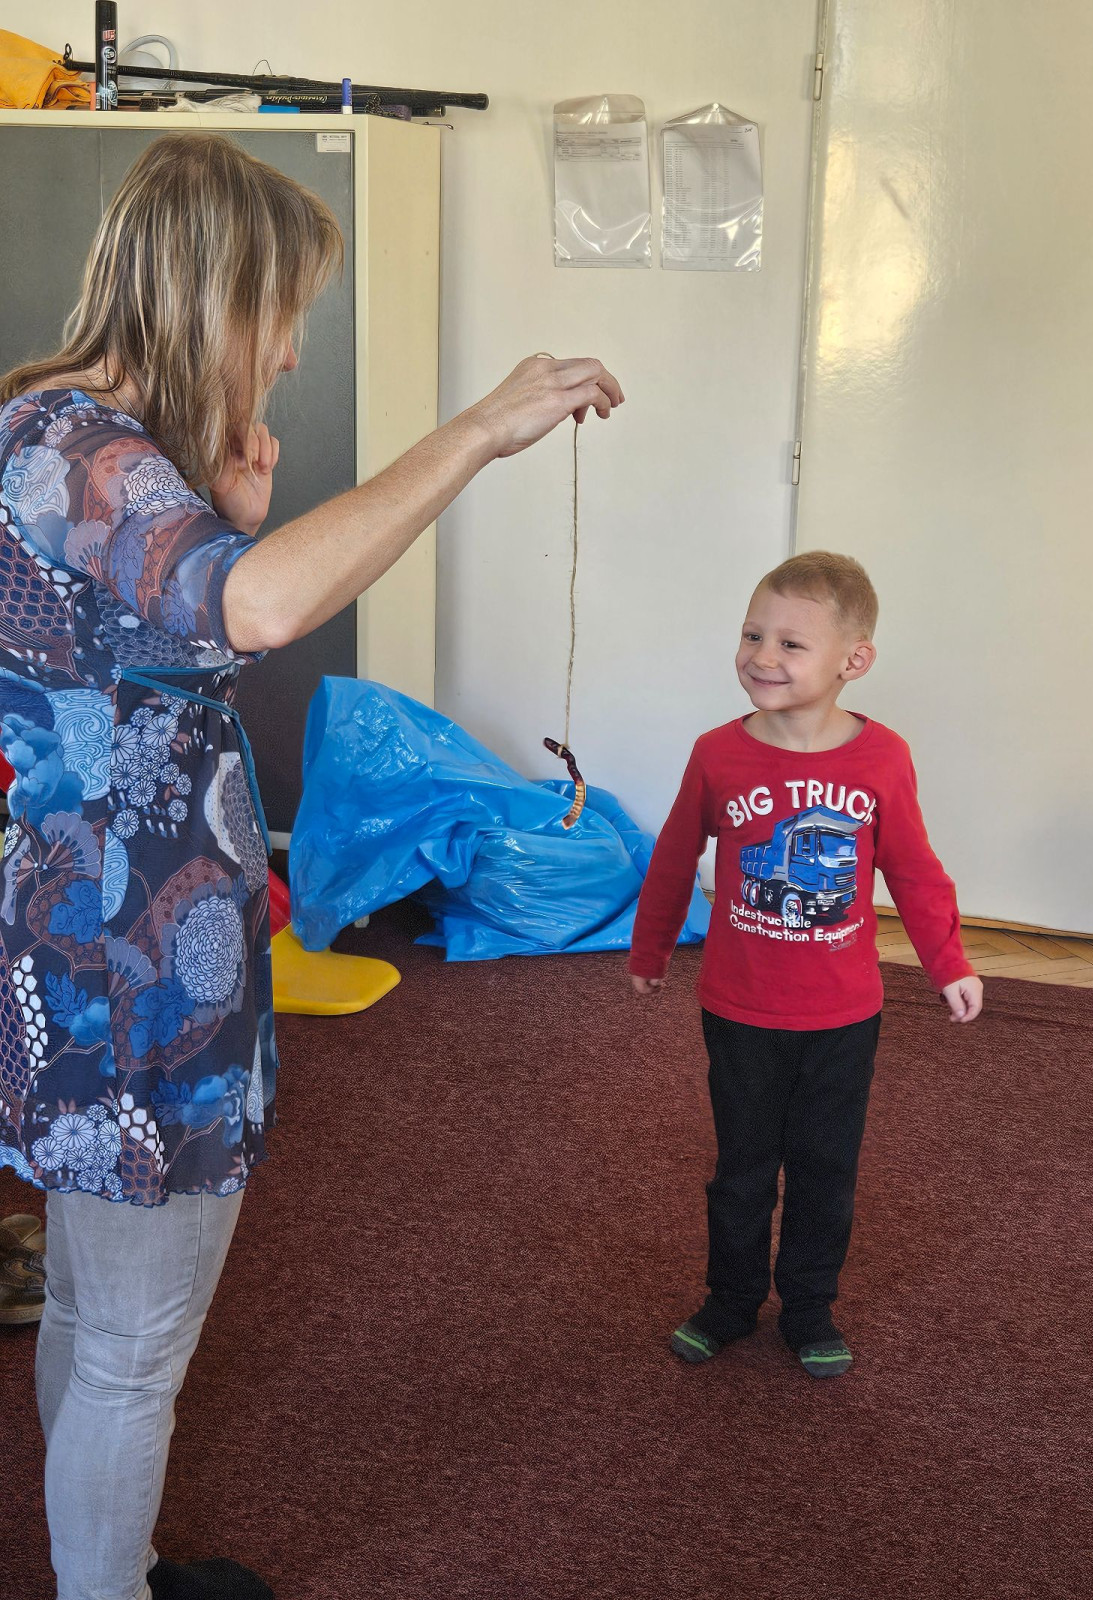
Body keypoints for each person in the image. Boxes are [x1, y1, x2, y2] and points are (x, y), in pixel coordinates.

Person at [0, 131, 622, 1600]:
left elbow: (173, 634)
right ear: (215, 292)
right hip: (129, 955)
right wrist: (476, 433)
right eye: (282, 315)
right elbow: (264, 611)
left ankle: (114, 1567)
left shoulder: (71, 436)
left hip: (109, 927)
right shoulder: (84, 452)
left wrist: (239, 522)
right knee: (132, 1342)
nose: (286, 354)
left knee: (95, 1311)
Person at [628, 551, 982, 1378]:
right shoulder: (717, 754)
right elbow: (675, 857)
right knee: (742, 1169)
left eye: (791, 643)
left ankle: (811, 1307)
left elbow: (914, 870)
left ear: (853, 661)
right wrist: (651, 948)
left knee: (826, 1169)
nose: (762, 656)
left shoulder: (882, 758)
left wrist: (948, 962)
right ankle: (730, 1300)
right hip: (739, 1009)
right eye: (753, 635)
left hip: (844, 1016)